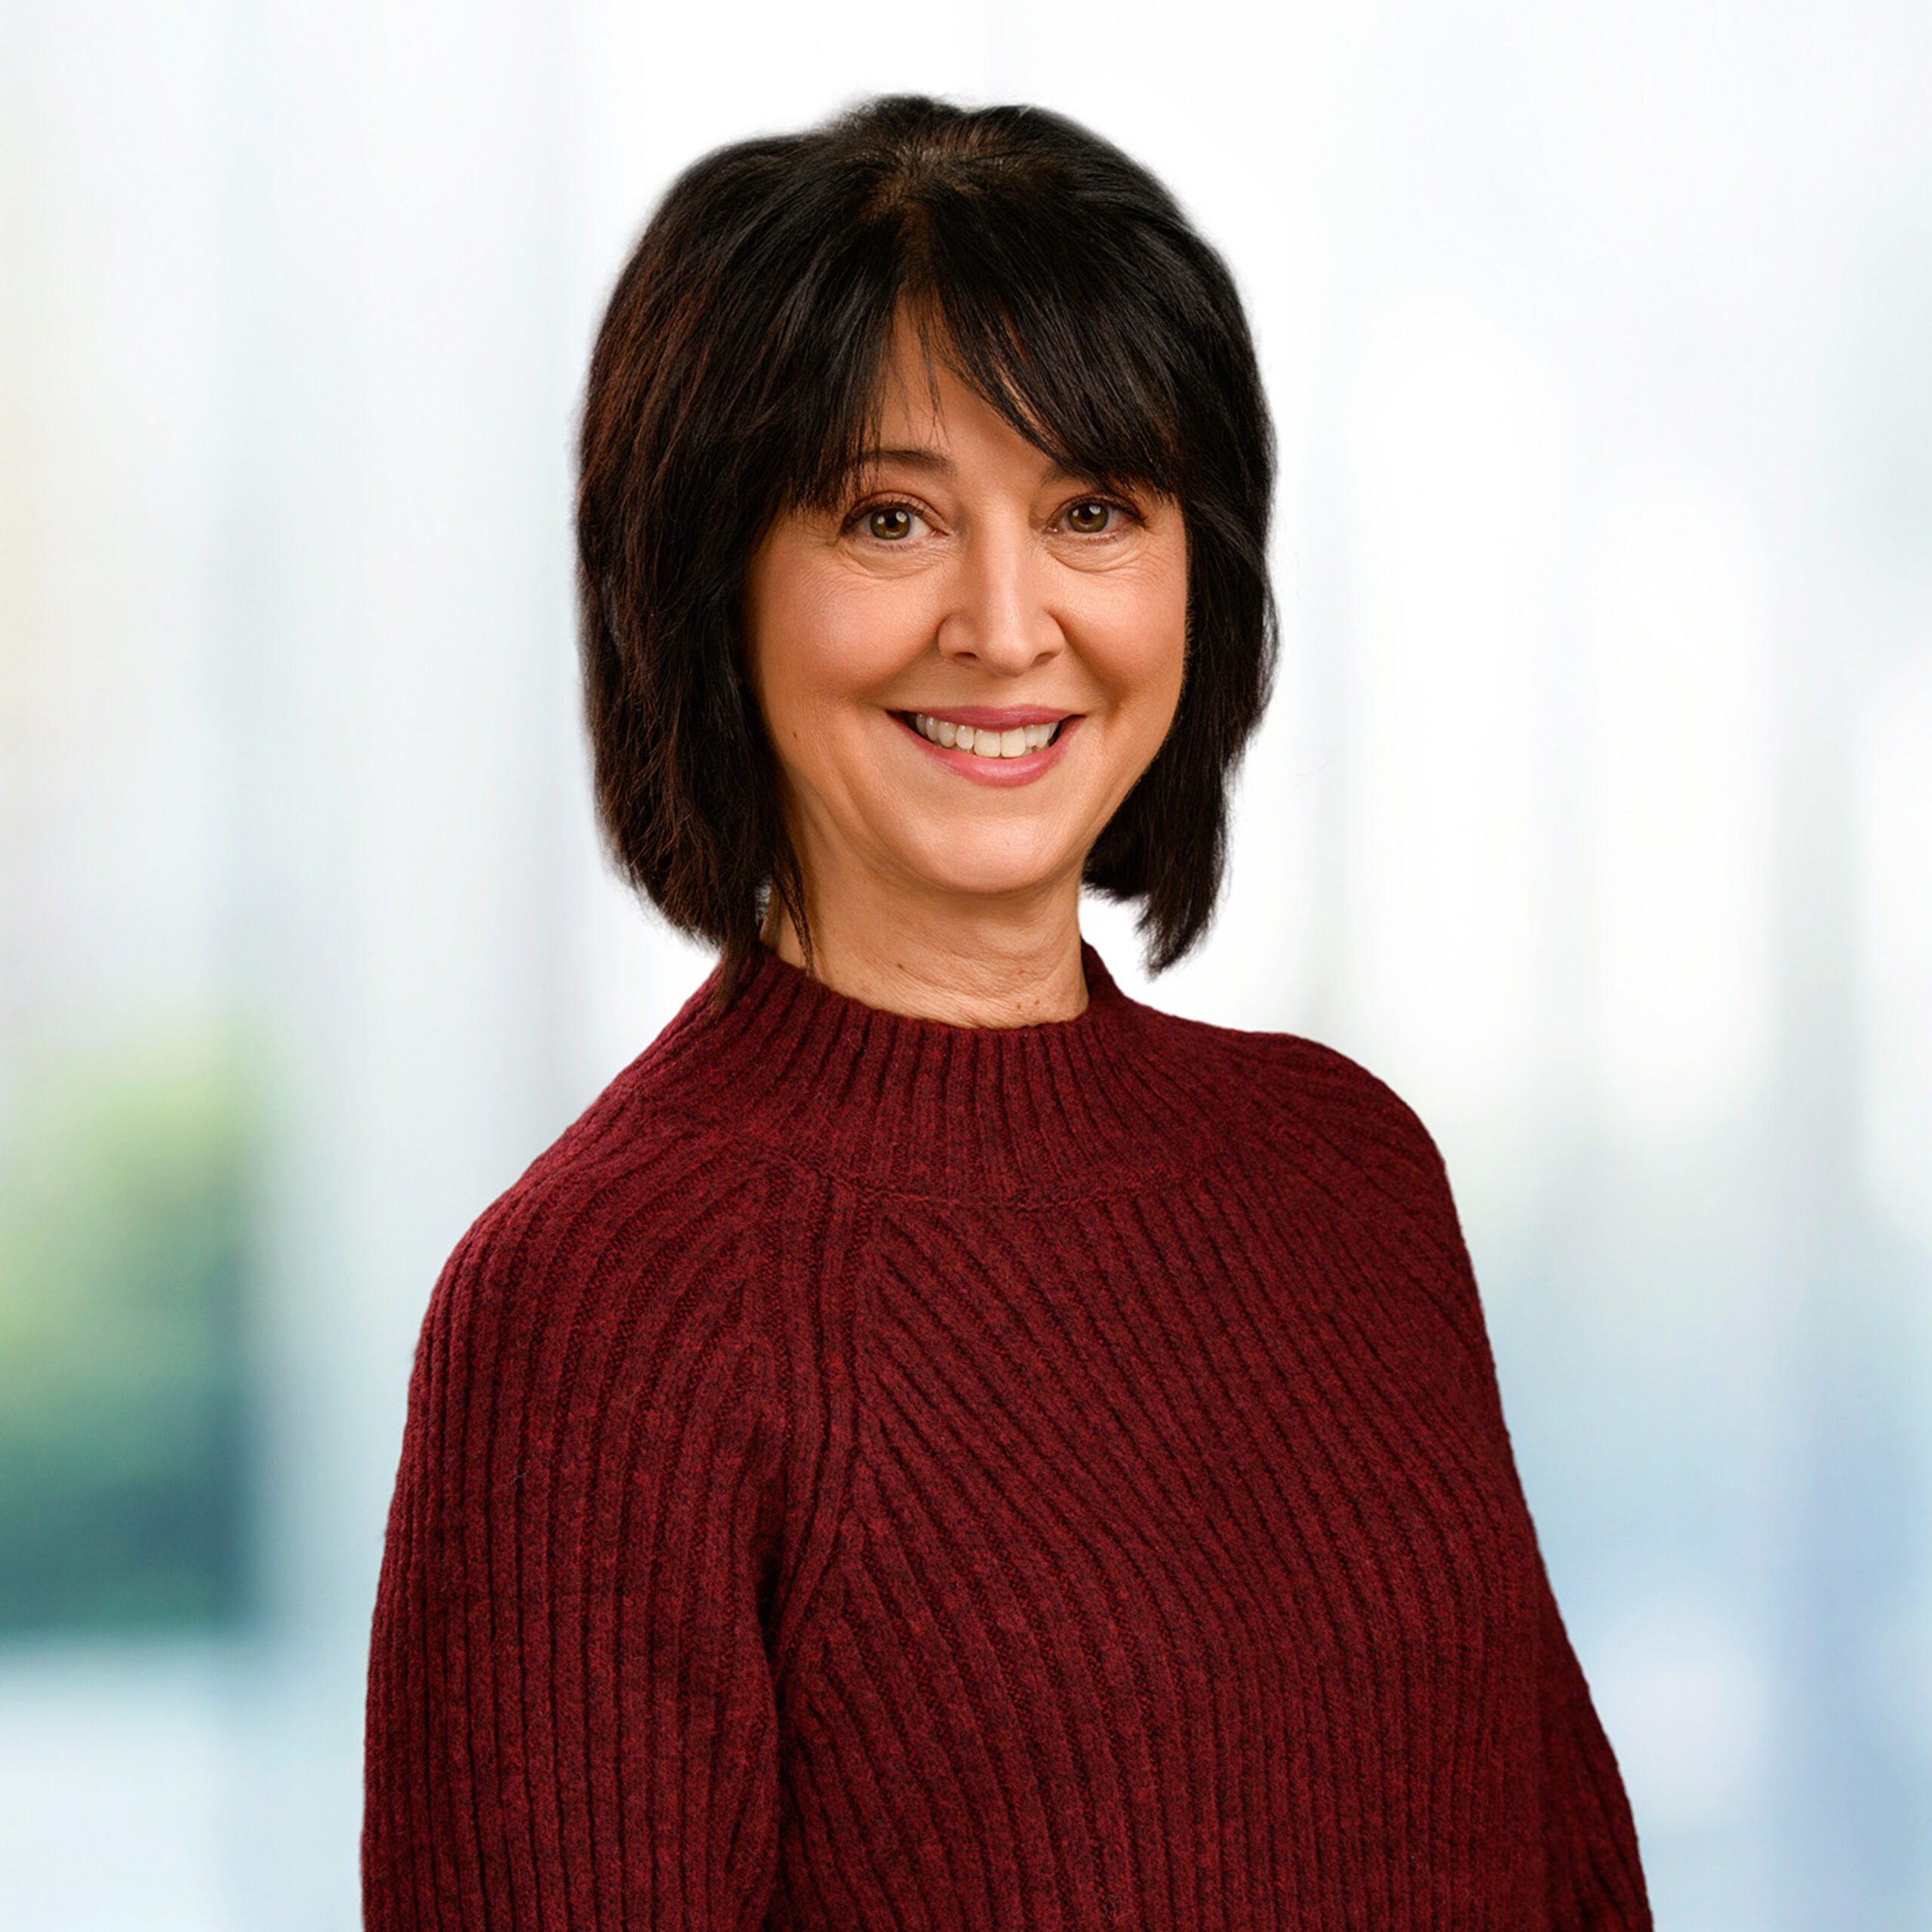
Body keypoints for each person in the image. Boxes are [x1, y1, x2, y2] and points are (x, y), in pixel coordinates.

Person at [361, 94, 1652, 1929]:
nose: (1003, 619)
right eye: (888, 516)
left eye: (1092, 510)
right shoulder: (592, 1307)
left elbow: (1575, 1884)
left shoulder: (1348, 1169)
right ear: (706, 575)